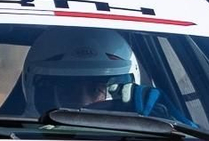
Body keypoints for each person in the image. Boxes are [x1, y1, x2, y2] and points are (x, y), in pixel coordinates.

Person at [19, 27, 171, 117]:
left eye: (95, 89)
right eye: (69, 88)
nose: (83, 101)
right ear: (43, 92)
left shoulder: (149, 140)